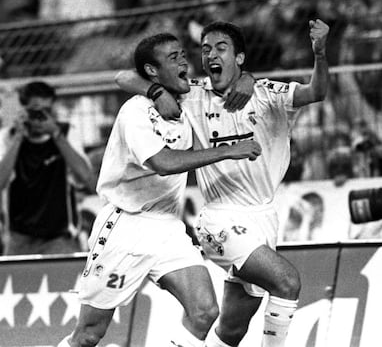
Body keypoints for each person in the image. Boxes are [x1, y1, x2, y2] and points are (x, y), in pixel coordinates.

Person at [116, 19, 329, 347]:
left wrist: (320, 52)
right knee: (287, 282)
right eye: (204, 49)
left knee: (231, 329)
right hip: (221, 218)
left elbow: (317, 91)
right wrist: (155, 90)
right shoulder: (193, 94)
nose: (210, 55)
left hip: (263, 217)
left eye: (220, 48)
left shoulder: (267, 94)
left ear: (239, 58)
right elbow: (124, 77)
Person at [58, 33, 262, 347]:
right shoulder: (136, 112)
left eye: (183, 54)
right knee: (88, 335)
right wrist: (226, 151)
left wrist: (247, 77)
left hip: (167, 226)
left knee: (205, 311)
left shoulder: (191, 98)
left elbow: (130, 75)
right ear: (153, 71)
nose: (185, 61)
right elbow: (163, 163)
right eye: (173, 57)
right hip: (125, 227)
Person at [0, 81, 94, 255]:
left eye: (46, 111)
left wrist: (56, 136)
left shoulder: (66, 133)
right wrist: (19, 138)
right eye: (35, 111)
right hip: (19, 237)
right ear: (24, 109)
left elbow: (87, 179)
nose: (40, 118)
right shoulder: (8, 137)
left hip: (59, 236)